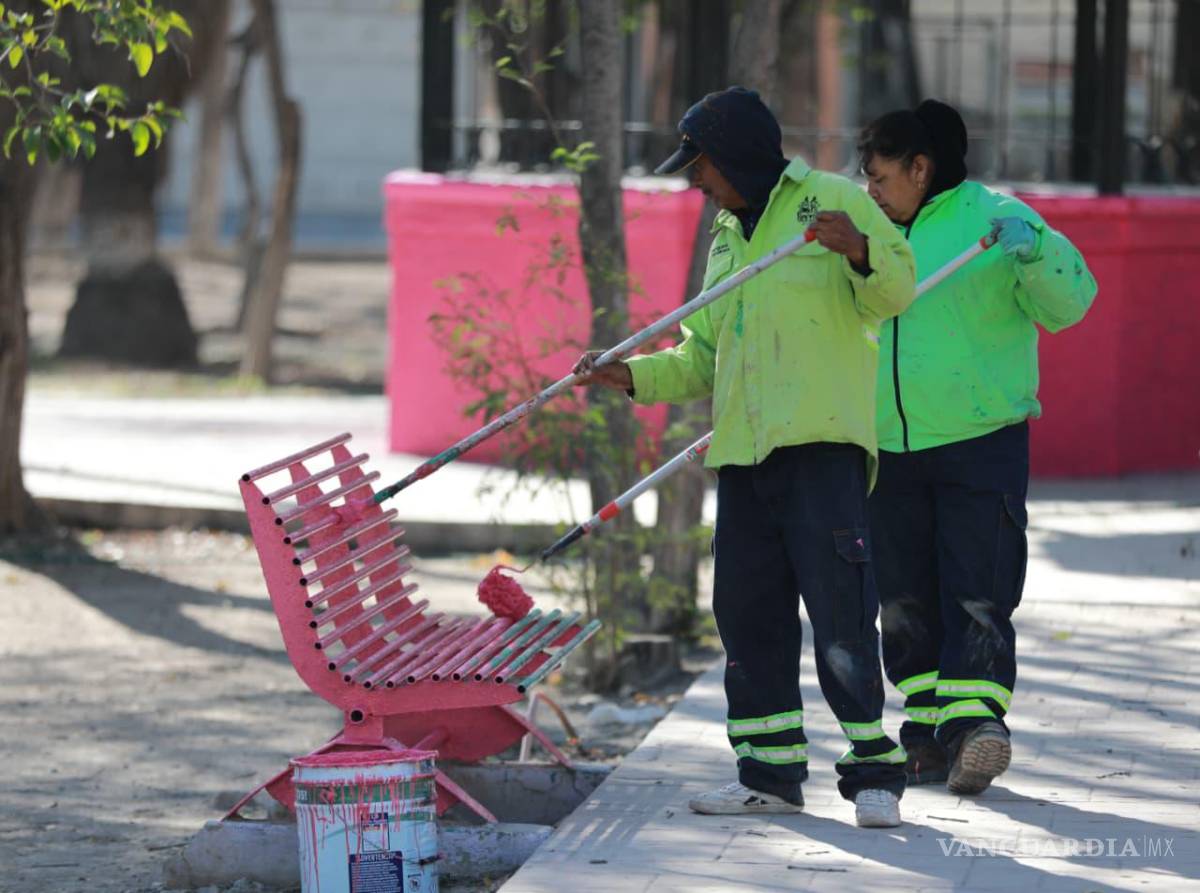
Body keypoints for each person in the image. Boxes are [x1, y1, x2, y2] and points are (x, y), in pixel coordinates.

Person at [575, 86, 917, 828]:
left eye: (700, 164)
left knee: (842, 616)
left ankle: (873, 772)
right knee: (747, 615)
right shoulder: (726, 236)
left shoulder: (830, 201)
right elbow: (701, 356)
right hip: (743, 455)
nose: (695, 179)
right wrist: (629, 373)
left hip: (821, 449)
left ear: (736, 155)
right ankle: (767, 772)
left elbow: (895, 290)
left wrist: (857, 249)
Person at [858, 99, 1097, 794]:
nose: (870, 189)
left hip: (979, 442)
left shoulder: (994, 220)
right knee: (902, 601)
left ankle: (978, 727)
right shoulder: (869, 231)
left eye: (879, 176)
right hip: (890, 446)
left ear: (920, 167)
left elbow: (1071, 303)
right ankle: (929, 735)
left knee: (977, 590)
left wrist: (1039, 251)